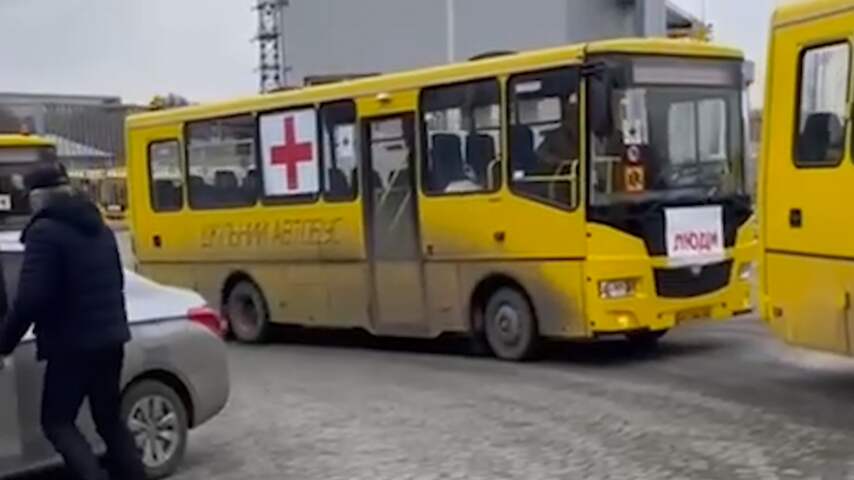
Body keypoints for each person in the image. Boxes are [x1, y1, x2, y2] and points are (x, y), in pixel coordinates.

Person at [0, 163, 146, 480]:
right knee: (108, 419)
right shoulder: (100, 228)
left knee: (57, 421)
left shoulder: (44, 233)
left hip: (71, 346)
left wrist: (5, 342)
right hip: (111, 339)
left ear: (39, 198)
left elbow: (30, 299)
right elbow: (115, 282)